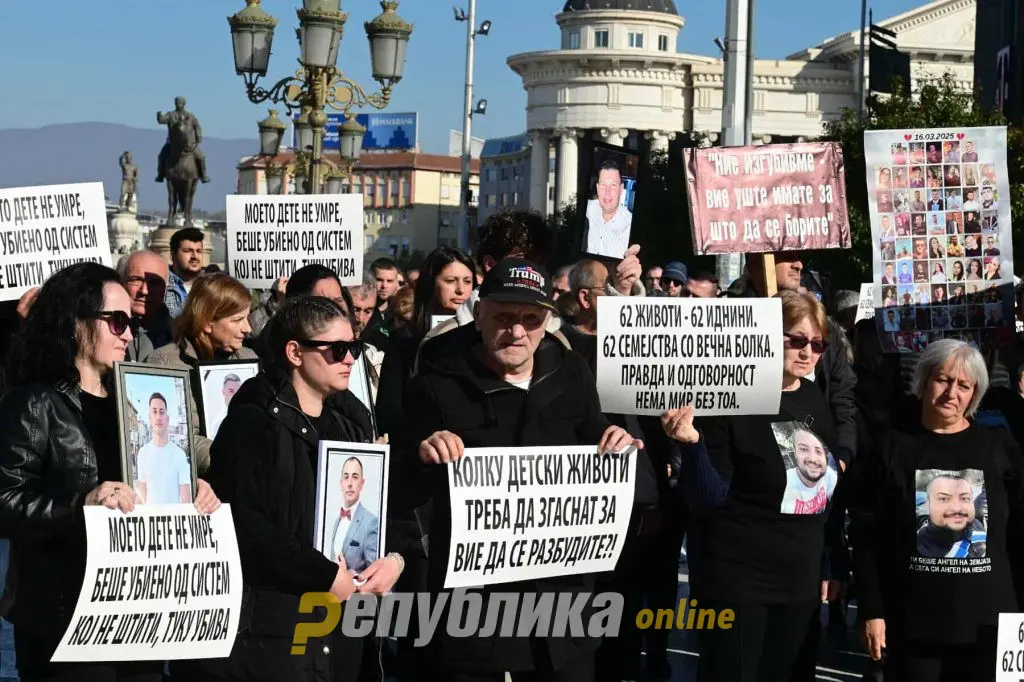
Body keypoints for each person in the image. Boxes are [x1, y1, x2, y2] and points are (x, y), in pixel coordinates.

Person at [397, 257, 641, 680]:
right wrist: (424, 453)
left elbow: (596, 432)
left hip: (563, 608)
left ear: (547, 321)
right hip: (476, 611)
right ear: (479, 316)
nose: (517, 332)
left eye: (530, 319)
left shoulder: (572, 373)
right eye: (504, 317)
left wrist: (616, 440)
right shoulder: (436, 385)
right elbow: (398, 485)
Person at [0, 262, 220, 681]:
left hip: (139, 612)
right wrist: (81, 505)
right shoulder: (33, 403)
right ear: (75, 323)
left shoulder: (136, 398)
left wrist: (191, 489)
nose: (128, 332)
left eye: (132, 322)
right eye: (116, 321)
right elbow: (5, 501)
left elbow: (153, 480)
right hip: (65, 617)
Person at [204, 296, 402, 682]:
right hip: (275, 630)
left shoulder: (351, 423)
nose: (350, 359)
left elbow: (376, 513)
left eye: (355, 347)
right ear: (295, 352)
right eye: (339, 349)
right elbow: (245, 524)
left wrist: (391, 560)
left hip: (342, 627)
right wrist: (325, 574)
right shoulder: (252, 422)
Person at [661, 290, 844, 681]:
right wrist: (692, 446)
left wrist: (830, 563)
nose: (807, 351)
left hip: (799, 583)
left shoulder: (813, 396)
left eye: (817, 344)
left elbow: (821, 495)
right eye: (796, 340)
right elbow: (708, 498)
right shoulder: (730, 398)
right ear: (765, 337)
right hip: (738, 582)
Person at [849, 339, 1024, 680]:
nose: (951, 393)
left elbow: (1021, 531)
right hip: (913, 628)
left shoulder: (998, 447)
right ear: (924, 381)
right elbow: (866, 535)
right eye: (943, 380)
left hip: (989, 628)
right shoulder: (891, 447)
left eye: (963, 385)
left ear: (974, 394)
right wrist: (871, 610)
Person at [147, 273, 257, 474]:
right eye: (238, 320)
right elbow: (175, 437)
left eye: (247, 318)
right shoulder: (166, 363)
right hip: (200, 483)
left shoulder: (248, 357)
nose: (247, 328)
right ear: (207, 322)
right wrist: (233, 458)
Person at [134, 393, 192, 504]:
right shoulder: (143, 453)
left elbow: (186, 500)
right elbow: (141, 497)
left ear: (167, 418)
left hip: (173, 519)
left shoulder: (179, 455)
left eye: (161, 412)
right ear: (149, 417)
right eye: (154, 412)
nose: (158, 417)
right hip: (151, 520)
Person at [329, 457, 379, 574]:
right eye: (346, 477)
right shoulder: (337, 521)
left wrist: (350, 576)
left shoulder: (371, 522)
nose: (350, 484)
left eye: (355, 477)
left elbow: (374, 573)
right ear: (341, 483)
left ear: (362, 484)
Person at [585, 158, 634, 258]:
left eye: (613, 185)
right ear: (598, 188)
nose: (608, 192)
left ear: (621, 189)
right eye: (603, 185)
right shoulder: (589, 208)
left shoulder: (629, 224)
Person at [164, 227, 206, 318]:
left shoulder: (209, 288)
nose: (195, 256)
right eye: (188, 251)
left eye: (199, 251)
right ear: (172, 255)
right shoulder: (162, 286)